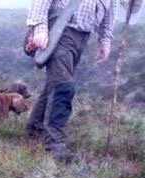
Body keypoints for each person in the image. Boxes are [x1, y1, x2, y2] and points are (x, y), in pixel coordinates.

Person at [26, 0, 116, 162]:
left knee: (55, 84)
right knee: (63, 86)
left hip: (83, 35)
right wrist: (39, 27)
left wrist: (105, 40)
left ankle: (35, 129)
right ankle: (54, 143)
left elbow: (110, 10)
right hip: (59, 29)